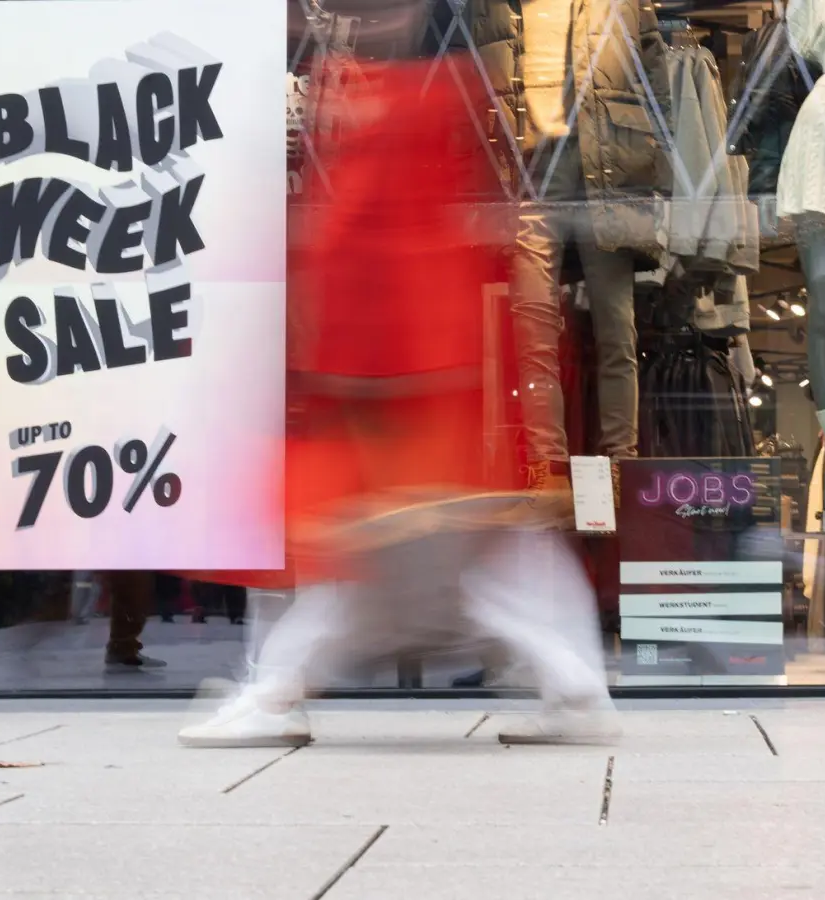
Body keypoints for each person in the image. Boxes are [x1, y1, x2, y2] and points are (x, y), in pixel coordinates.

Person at [176, 49, 615, 748]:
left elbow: (369, 238)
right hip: (420, 359)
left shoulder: (398, 100)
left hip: (393, 365)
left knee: (373, 549)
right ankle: (572, 681)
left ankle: (276, 690)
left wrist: (342, 364)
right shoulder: (430, 95)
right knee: (449, 550)